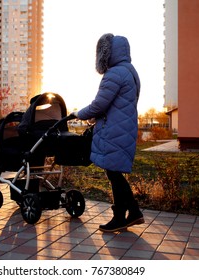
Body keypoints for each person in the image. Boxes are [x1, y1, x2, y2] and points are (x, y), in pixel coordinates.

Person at [72, 33, 144, 232]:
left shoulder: (114, 74)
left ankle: (126, 214)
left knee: (113, 173)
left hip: (114, 131)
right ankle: (127, 214)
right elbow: (114, 104)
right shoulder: (130, 72)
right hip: (124, 128)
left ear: (107, 54)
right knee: (114, 173)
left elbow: (99, 104)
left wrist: (79, 113)